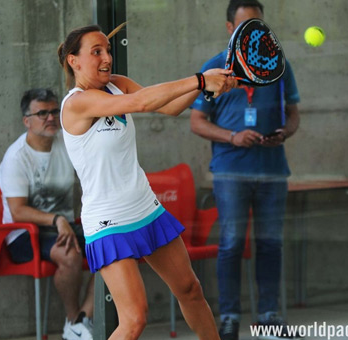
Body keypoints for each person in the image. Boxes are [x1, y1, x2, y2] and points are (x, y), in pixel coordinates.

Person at [57, 24, 236, 340]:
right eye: (96, 52)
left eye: (108, 50)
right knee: (134, 320)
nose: (106, 58)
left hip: (145, 208)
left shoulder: (118, 85)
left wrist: (205, 85)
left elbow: (168, 106)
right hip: (108, 223)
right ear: (74, 60)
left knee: (190, 289)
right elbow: (140, 104)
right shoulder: (76, 103)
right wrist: (199, 79)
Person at [190, 1, 301, 339]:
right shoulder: (215, 68)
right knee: (231, 244)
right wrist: (233, 136)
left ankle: (268, 317)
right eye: (245, 26)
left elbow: (294, 114)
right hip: (230, 172)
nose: (255, 32)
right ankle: (228, 319)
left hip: (272, 170)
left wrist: (285, 132)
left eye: (258, 24)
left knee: (270, 244)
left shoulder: (278, 65)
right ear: (229, 29)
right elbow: (196, 122)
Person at [0, 88, 94, 340]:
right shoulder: (16, 158)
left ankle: (84, 318)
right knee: (70, 256)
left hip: (63, 227)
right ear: (26, 121)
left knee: (112, 244)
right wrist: (58, 220)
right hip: (24, 234)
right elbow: (17, 211)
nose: (50, 117)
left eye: (54, 111)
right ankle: (72, 321)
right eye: (42, 113)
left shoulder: (67, 142)